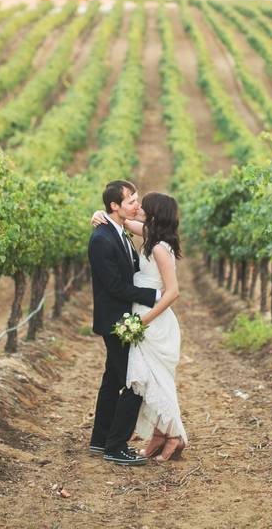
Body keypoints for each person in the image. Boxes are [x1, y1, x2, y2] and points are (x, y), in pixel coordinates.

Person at [93, 191, 187, 462]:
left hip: (152, 321)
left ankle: (173, 436)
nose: (138, 209)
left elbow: (173, 292)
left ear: (154, 213)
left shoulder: (158, 247)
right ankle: (161, 436)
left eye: (143, 206)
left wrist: (144, 320)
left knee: (151, 380)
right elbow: (118, 223)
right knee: (150, 380)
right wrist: (98, 214)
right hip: (141, 315)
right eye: (135, 204)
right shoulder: (151, 236)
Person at [87, 180, 158, 466]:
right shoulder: (102, 238)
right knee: (135, 382)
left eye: (137, 200)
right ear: (114, 206)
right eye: (131, 201)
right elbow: (115, 286)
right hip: (115, 322)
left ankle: (100, 440)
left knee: (112, 380)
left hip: (121, 319)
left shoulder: (118, 230)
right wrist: (155, 296)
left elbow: (149, 221)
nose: (136, 205)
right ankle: (115, 446)